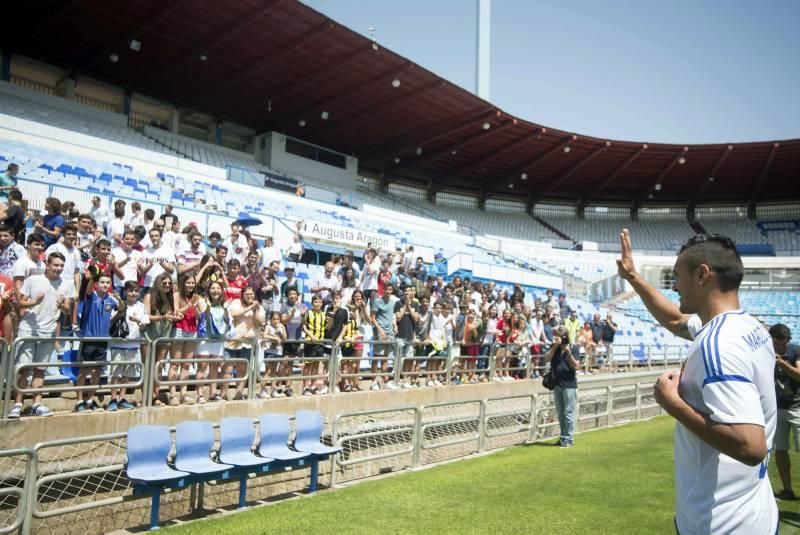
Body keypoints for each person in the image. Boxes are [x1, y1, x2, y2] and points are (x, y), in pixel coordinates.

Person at [617, 229, 778, 533]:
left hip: (721, 523)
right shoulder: (749, 327)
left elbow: (750, 445)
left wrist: (672, 403)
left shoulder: (719, 345)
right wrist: (634, 278)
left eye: (677, 275)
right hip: (755, 513)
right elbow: (676, 321)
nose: (674, 285)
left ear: (702, 274)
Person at [7, 252, 71, 418]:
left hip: (48, 332)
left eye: (61, 266)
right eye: (55, 265)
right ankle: (18, 404)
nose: (58, 269)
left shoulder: (66, 284)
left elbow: (68, 309)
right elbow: (20, 302)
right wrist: (34, 302)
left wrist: (62, 306)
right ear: (47, 265)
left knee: (40, 370)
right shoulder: (32, 280)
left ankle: (37, 403)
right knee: (24, 369)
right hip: (28, 329)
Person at [75, 272, 120, 412]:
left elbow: (122, 310)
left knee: (97, 372)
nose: (105, 285)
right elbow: (88, 289)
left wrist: (119, 303)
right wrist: (93, 276)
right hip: (88, 339)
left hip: (103, 341)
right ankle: (79, 402)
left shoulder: (111, 300)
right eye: (102, 282)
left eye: (108, 282)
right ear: (96, 284)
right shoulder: (91, 296)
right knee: (84, 370)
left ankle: (89, 400)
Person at [770, 323, 800, 500]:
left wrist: (782, 363)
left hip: (797, 408)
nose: (781, 347)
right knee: (780, 450)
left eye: (783, 343)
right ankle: (787, 489)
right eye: (777, 344)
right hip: (777, 409)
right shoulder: (764, 352)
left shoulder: (795, 350)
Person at [107, 281, 147, 411]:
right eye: (130, 291)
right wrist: (120, 312)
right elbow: (110, 321)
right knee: (116, 373)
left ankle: (122, 399)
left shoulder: (141, 306)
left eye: (136, 291)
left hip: (133, 344)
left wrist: (138, 321)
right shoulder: (118, 304)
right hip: (119, 343)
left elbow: (144, 325)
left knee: (126, 375)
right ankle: (113, 399)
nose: (133, 293)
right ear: (125, 292)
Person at [225, 285, 265, 400]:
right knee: (227, 370)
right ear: (242, 295)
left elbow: (260, 322)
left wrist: (255, 310)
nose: (249, 296)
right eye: (247, 294)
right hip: (232, 342)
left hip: (248, 343)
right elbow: (233, 315)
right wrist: (249, 308)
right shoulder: (236, 302)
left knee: (242, 370)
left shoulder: (259, 307)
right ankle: (223, 394)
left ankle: (238, 394)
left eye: (251, 294)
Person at [545, 326, 579, 447]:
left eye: (559, 337)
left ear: (565, 337)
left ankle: (568, 439)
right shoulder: (554, 347)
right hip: (557, 384)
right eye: (556, 337)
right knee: (560, 413)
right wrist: (555, 346)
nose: (557, 339)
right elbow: (546, 358)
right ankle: (563, 436)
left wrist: (567, 351)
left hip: (569, 385)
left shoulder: (573, 347)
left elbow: (576, 365)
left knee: (569, 412)